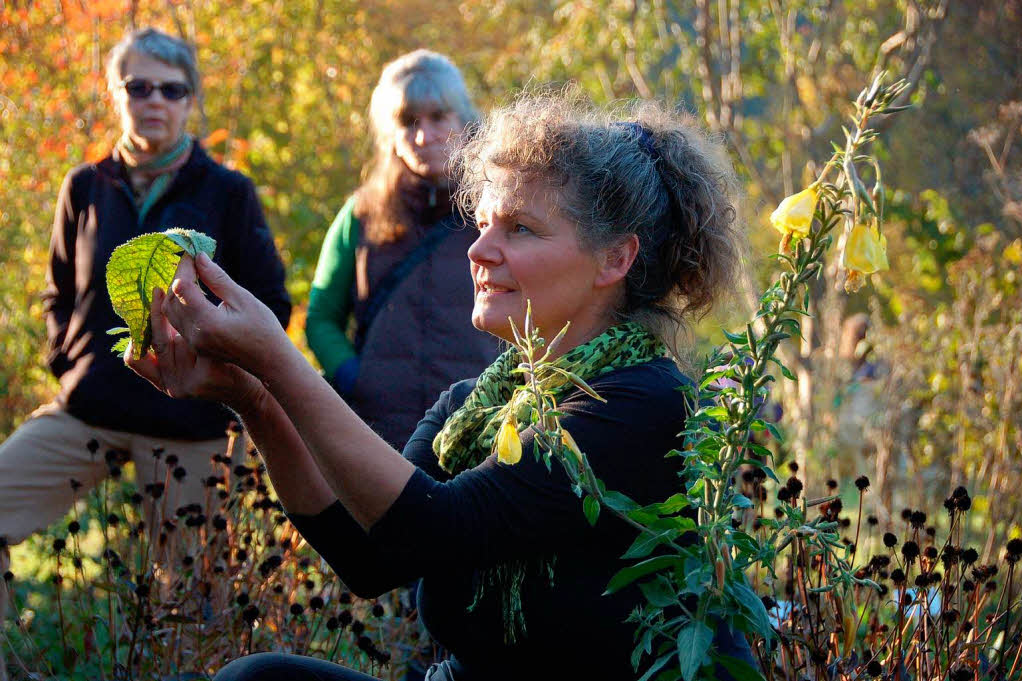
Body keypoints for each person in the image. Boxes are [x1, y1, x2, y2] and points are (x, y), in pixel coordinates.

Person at [126, 93, 754, 681]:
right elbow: (371, 555)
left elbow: (433, 528)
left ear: (615, 259)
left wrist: (279, 359)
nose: (479, 249)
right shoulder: (475, 408)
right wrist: (253, 396)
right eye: (482, 224)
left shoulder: (644, 403)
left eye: (521, 229)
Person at [0, 27, 291, 665]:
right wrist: (69, 362)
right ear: (115, 94)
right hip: (90, 410)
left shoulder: (228, 193)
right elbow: (57, 292)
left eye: (171, 88)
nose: (154, 100)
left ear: (191, 100)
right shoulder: (84, 186)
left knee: (186, 605)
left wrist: (219, 378)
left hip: (190, 424)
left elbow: (269, 302)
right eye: (138, 86)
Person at [306, 50, 497, 450]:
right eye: (409, 122)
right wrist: (354, 376)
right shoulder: (361, 213)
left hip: (481, 432)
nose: (424, 136)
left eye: (437, 117)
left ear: (464, 121)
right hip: (379, 435)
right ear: (390, 134)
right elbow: (322, 317)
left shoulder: (500, 208)